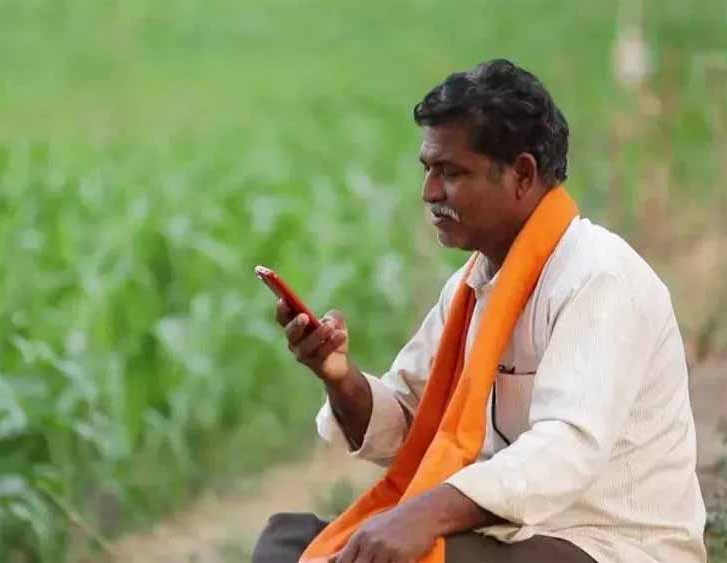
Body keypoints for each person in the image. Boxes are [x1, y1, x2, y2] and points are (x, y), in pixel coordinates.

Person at [252, 59, 707, 563]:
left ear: (522, 174)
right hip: (507, 537)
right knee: (287, 542)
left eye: (451, 172)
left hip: (603, 543)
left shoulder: (600, 278)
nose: (429, 192)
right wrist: (338, 376)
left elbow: (565, 450)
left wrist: (422, 516)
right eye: (428, 170)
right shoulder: (472, 286)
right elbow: (411, 430)